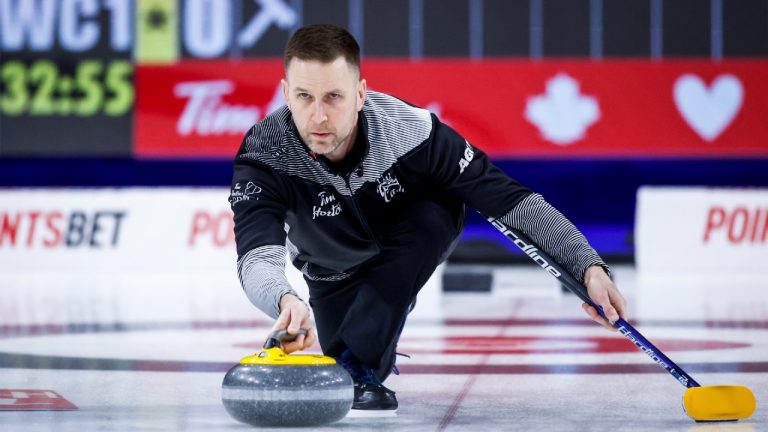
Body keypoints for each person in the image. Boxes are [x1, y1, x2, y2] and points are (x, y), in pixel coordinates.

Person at [229, 24, 627, 413]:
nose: (318, 116)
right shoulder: (265, 152)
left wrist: (587, 265)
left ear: (360, 94)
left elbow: (512, 202)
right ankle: (360, 349)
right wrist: (284, 298)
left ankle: (364, 350)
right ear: (285, 94)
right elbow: (256, 256)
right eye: (304, 97)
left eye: (333, 97)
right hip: (328, 271)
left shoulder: (413, 132)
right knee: (344, 365)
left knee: (437, 211)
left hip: (403, 247)